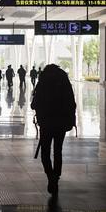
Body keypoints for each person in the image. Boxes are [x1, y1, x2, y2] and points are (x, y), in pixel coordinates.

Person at [31, 64, 76, 195]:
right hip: (61, 123)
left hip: (46, 123)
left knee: (45, 152)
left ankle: (50, 176)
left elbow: (34, 104)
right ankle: (56, 177)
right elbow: (72, 103)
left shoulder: (43, 83)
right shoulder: (64, 84)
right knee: (58, 151)